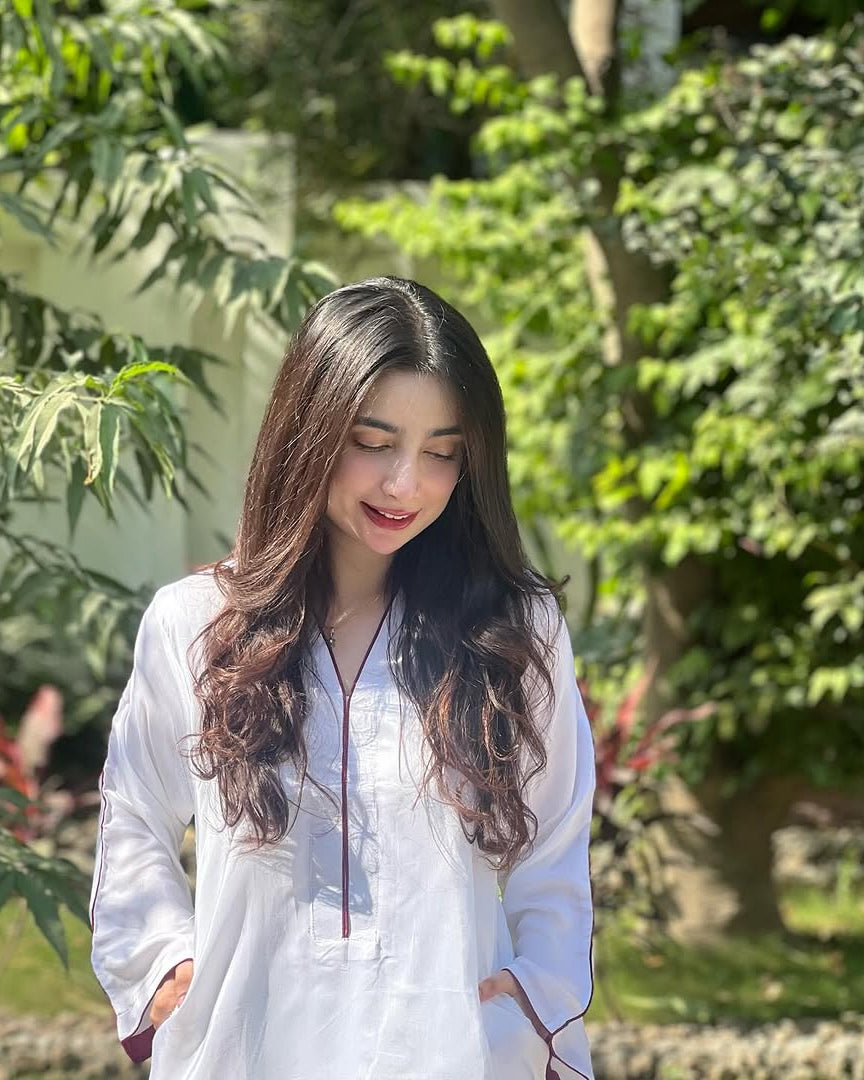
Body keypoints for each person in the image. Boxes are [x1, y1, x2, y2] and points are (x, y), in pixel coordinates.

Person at [89, 276, 596, 1080]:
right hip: (246, 1051)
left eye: (442, 453)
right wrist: (161, 967)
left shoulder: (512, 630)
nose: (406, 483)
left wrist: (534, 1002)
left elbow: (555, 846)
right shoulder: (195, 625)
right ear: (309, 427)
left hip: (452, 1052)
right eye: (373, 440)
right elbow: (135, 821)